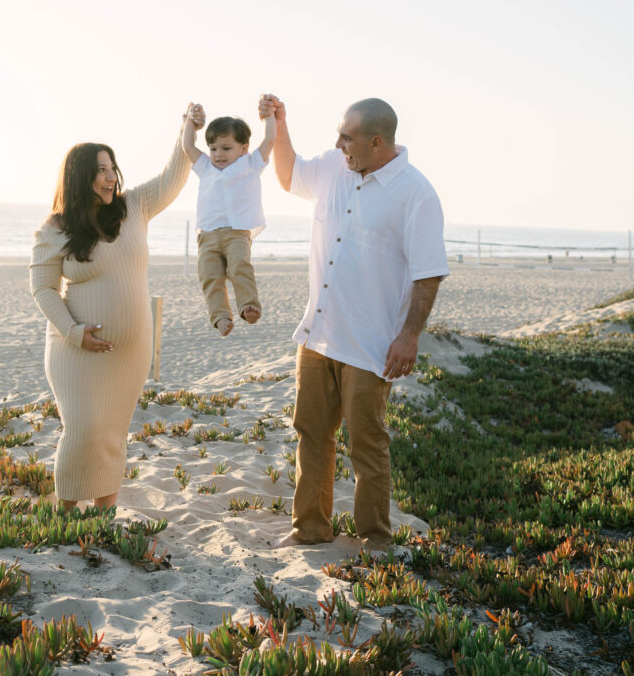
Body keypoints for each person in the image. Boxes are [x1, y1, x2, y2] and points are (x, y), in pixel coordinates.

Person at [264, 93, 448, 548]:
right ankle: (309, 528)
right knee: (310, 434)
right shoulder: (333, 167)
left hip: (371, 343)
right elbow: (287, 176)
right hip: (319, 334)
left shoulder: (416, 193)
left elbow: (428, 273)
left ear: (377, 142)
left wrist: (409, 336)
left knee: (366, 444)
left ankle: (375, 538)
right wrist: (280, 126)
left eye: (347, 137)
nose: (338, 143)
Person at [29, 109, 196, 509]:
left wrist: (187, 129)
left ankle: (104, 514)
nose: (110, 177)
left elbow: (173, 175)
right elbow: (43, 289)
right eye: (100, 170)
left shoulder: (134, 206)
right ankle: (67, 512)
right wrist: (74, 331)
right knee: (83, 430)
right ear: (78, 177)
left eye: (112, 168)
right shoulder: (55, 228)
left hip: (130, 350)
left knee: (112, 432)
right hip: (74, 350)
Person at [182, 101, 275, 336]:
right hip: (207, 235)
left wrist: (269, 117)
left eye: (226, 148)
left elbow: (269, 141)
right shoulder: (205, 167)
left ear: (243, 148)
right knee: (209, 276)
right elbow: (187, 145)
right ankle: (221, 317)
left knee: (239, 267)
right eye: (213, 148)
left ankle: (248, 305)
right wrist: (191, 123)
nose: (218, 154)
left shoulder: (251, 164)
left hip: (237, 232)